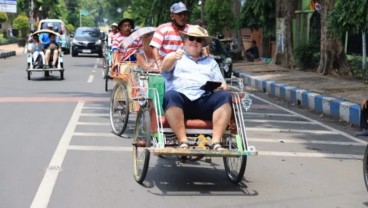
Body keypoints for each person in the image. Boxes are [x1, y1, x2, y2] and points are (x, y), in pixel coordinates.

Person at [161, 25, 232, 150]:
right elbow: (165, 67)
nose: (195, 42)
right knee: (170, 95)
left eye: (198, 40)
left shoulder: (211, 62)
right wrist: (173, 57)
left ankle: (216, 142)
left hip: (204, 101)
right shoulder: (175, 57)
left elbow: (222, 83)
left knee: (224, 96)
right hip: (181, 101)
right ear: (185, 41)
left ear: (203, 44)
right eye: (191, 38)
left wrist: (219, 88)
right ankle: (183, 140)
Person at [150, 1, 190, 68]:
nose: (183, 16)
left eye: (185, 14)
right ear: (172, 16)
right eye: (179, 14)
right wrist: (160, 66)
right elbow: (155, 49)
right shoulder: (162, 29)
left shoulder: (191, 30)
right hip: (164, 66)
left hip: (183, 68)